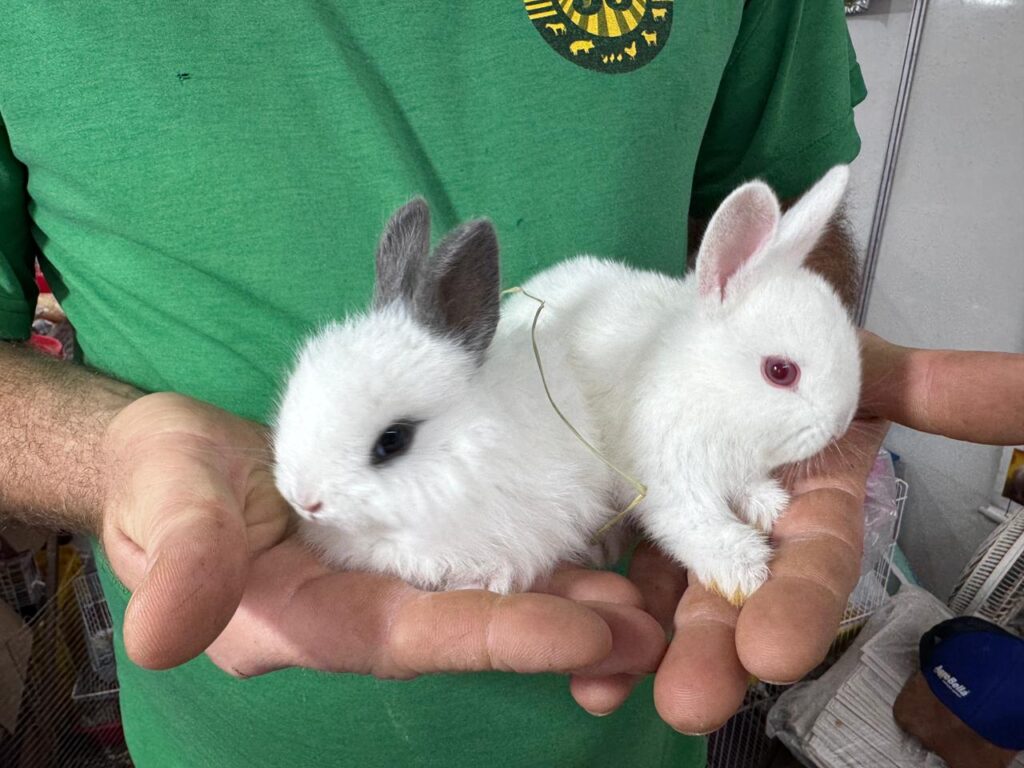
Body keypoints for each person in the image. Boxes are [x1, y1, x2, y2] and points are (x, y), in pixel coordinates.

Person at [1, 3, 1022, 766]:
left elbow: (778, 188)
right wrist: (116, 458)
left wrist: (775, 433)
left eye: (392, 440)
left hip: (635, 692)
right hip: (241, 738)